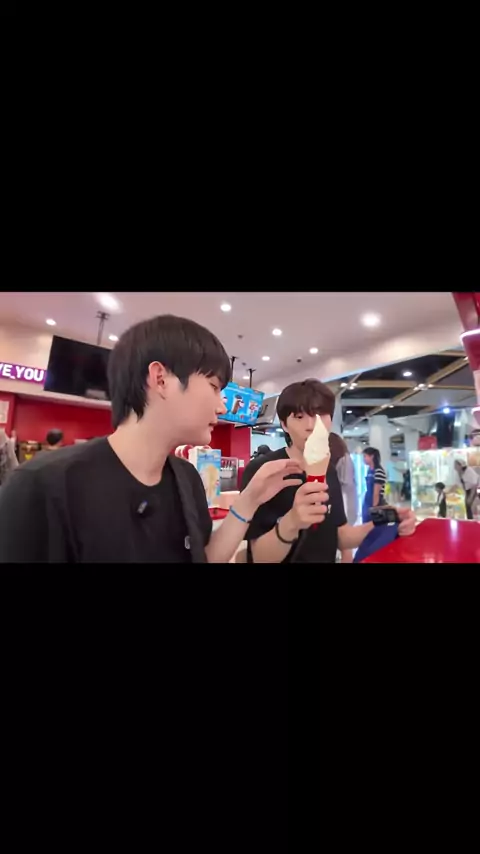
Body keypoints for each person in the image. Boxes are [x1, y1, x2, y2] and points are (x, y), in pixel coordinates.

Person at [0, 314, 303, 563]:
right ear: (161, 379)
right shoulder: (43, 486)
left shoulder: (187, 478)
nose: (222, 407)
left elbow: (205, 558)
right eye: (213, 386)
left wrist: (250, 499)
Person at [241, 378, 416, 564]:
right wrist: (292, 521)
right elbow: (258, 558)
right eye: (299, 417)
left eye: (320, 415)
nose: (311, 426)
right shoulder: (263, 470)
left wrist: (387, 522)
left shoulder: (329, 470)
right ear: (284, 424)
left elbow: (341, 536)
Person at [329, 432, 358, 563]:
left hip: (343, 503)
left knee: (345, 544)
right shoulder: (344, 458)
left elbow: (346, 484)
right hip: (344, 502)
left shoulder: (343, 459)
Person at [362, 447, 387, 523]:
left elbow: (376, 493)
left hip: (376, 503)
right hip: (367, 501)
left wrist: (374, 508)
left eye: (365, 456)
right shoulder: (369, 470)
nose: (363, 459)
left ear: (372, 456)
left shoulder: (379, 471)